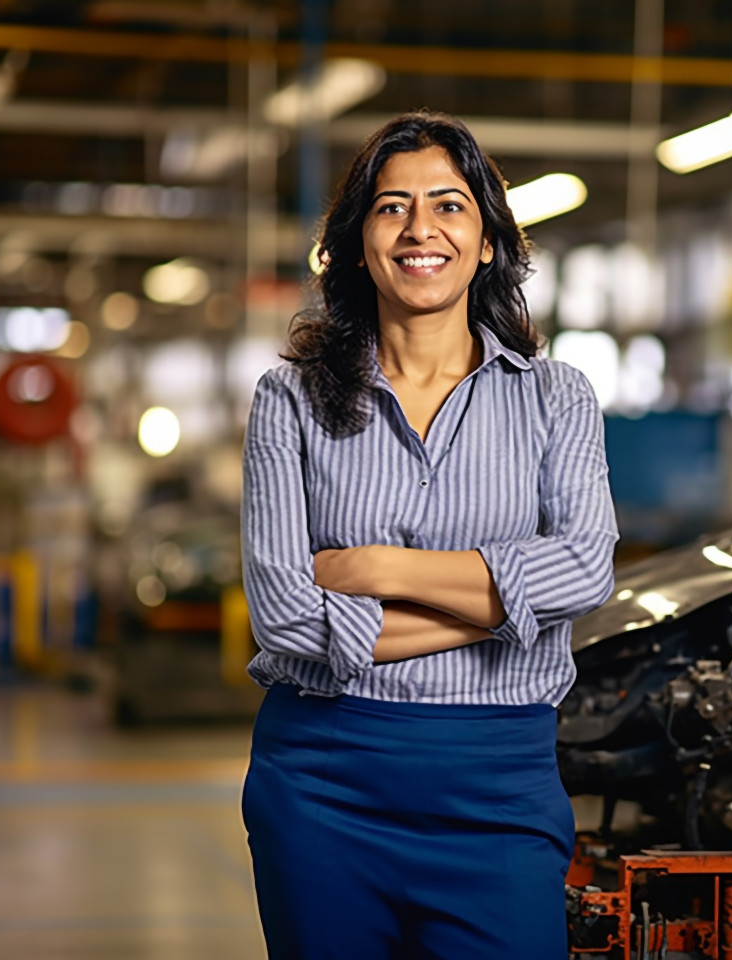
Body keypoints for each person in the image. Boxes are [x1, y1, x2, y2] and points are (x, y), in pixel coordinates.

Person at [240, 109, 619, 960]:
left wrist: (380, 568)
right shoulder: (288, 400)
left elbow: (588, 571)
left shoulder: (555, 397)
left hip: (498, 783)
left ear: (487, 241)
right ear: (357, 242)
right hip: (323, 781)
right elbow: (286, 621)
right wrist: (507, 607)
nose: (421, 229)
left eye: (449, 206)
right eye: (391, 207)